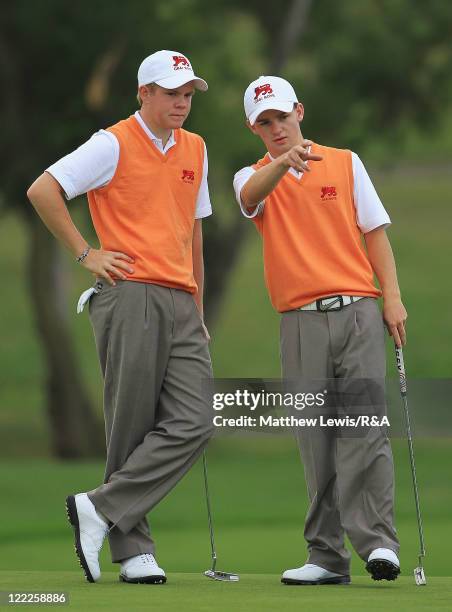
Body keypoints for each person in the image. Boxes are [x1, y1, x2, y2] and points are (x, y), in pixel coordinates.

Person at [27, 50, 213, 585]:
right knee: (130, 425)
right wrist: (87, 254)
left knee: (196, 420)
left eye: (188, 94)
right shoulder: (112, 142)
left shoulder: (195, 147)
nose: (181, 102)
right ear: (144, 94)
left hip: (181, 298)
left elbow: (194, 227)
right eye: (172, 92)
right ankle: (134, 552)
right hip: (129, 293)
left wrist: (197, 300)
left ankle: (101, 509)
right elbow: (44, 190)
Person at [233, 76, 407, 585]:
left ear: (299, 113)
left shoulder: (346, 162)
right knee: (316, 439)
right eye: (264, 123)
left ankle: (379, 545)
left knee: (364, 430)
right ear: (254, 129)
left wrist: (392, 299)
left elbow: (375, 233)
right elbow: (248, 198)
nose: (275, 128)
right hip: (299, 321)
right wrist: (281, 166)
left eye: (281, 118)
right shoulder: (253, 175)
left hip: (357, 311)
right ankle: (326, 557)